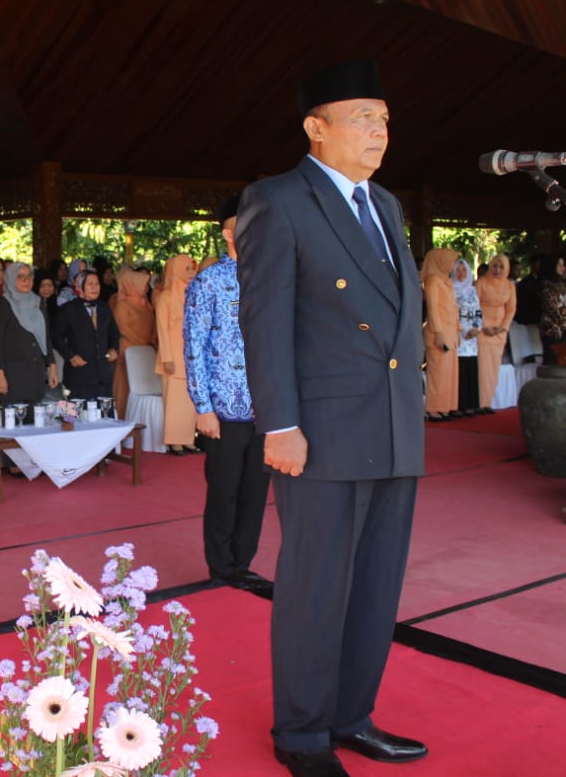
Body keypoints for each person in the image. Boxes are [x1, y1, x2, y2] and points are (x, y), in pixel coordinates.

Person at [236, 60, 427, 776]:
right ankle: (303, 733)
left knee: (376, 586)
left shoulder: (387, 205)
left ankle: (352, 716)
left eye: (385, 118)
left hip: (391, 424)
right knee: (316, 586)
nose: (380, 130)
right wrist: (279, 423)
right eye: (363, 118)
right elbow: (265, 321)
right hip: (320, 432)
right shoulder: (278, 200)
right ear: (316, 127)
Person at [183, 196, 268, 588]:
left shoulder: (270, 278)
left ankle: (242, 565)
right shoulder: (208, 281)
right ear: (229, 233)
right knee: (224, 492)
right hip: (223, 409)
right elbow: (194, 346)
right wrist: (203, 406)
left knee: (255, 494)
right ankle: (221, 569)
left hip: (265, 409)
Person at [0, 261, 58, 407]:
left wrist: (52, 367)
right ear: (11, 278)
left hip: (36, 373)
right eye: (20, 276)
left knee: (36, 418)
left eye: (29, 276)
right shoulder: (2, 304)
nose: (26, 280)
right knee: (13, 419)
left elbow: (45, 337)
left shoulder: (38, 302)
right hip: (12, 376)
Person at [52, 269, 119, 400]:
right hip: (78, 375)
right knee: (75, 412)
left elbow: (114, 333)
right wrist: (70, 356)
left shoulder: (104, 308)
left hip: (103, 376)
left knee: (104, 412)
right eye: (90, 284)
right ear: (80, 286)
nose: (94, 287)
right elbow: (55, 336)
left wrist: (113, 349)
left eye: (97, 283)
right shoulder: (68, 309)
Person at [155, 253, 198, 455]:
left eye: (192, 268)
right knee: (174, 401)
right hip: (172, 355)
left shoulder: (194, 293)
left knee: (189, 401)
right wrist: (167, 358)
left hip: (192, 355)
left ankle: (188, 439)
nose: (191, 272)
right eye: (186, 268)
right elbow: (162, 329)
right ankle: (174, 442)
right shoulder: (165, 296)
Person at [110, 266, 155, 419]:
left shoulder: (146, 305)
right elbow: (123, 328)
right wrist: (144, 344)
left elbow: (153, 326)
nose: (147, 288)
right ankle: (122, 423)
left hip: (146, 355)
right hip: (128, 354)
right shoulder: (122, 305)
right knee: (125, 391)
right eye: (143, 285)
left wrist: (151, 342)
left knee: (144, 392)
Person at [421, 247, 460, 423]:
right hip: (439, 333)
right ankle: (433, 408)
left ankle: (444, 406)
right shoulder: (433, 281)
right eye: (450, 261)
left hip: (450, 332)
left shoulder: (446, 281)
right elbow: (433, 309)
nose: (452, 266)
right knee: (438, 373)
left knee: (448, 373)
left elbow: (453, 308)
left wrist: (458, 329)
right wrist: (439, 332)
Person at [474, 253, 516, 412]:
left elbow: (511, 309)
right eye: (495, 266)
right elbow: (475, 306)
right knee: (483, 368)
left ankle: (487, 402)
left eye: (501, 267)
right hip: (483, 330)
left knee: (493, 368)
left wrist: (503, 327)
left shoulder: (509, 286)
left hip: (499, 332)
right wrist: (484, 325)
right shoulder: (481, 283)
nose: (497, 270)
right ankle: (480, 402)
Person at [452, 258, 483, 416]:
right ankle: (460, 405)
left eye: (464, 270)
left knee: (471, 365)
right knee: (461, 368)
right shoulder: (451, 289)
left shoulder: (472, 290)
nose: (461, 273)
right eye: (457, 270)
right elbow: (452, 313)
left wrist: (477, 327)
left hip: (472, 334)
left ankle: (471, 404)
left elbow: (478, 311)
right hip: (459, 332)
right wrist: (463, 330)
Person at [539, 253, 566, 364]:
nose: (562, 268)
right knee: (552, 362)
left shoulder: (562, 285)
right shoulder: (546, 287)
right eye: (559, 265)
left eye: (563, 265)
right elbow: (551, 308)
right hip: (551, 330)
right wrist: (564, 323)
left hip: (564, 330)